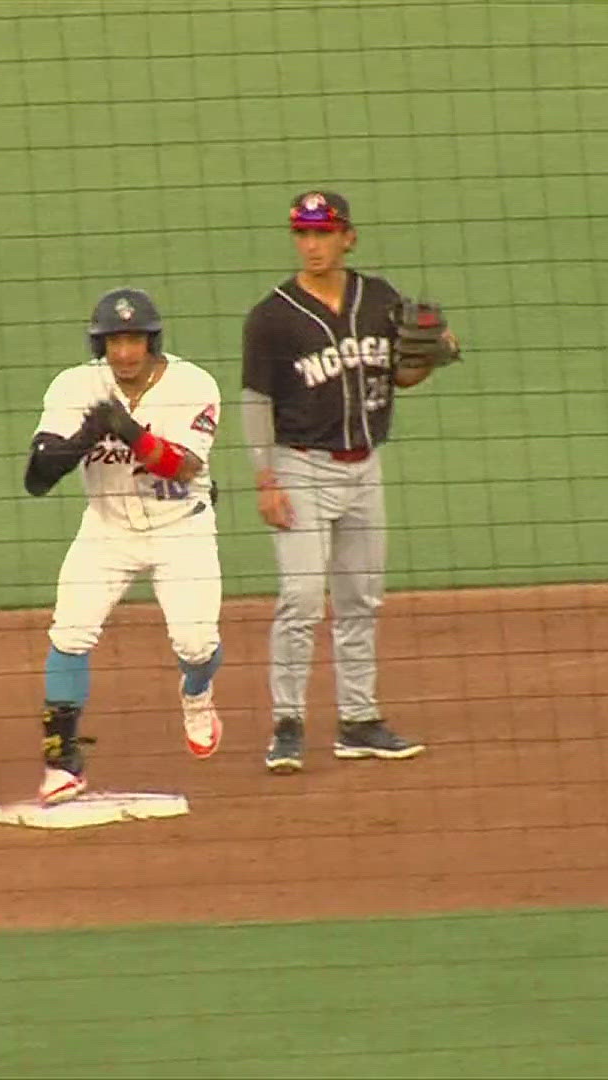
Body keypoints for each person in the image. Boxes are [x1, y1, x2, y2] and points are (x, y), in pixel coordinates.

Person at [240, 189, 456, 774]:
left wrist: (430, 357)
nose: (312, 244)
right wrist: (265, 478)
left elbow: (402, 376)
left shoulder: (379, 299)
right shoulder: (272, 318)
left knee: (360, 599)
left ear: (347, 237)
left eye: (323, 232)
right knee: (304, 597)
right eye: (303, 234)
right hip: (299, 466)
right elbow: (257, 402)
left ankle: (358, 720)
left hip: (366, 468)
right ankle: (287, 724)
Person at [22, 287, 226, 805]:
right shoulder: (74, 386)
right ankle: (62, 763)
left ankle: (197, 693)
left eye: (134, 339)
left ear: (152, 341)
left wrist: (129, 431)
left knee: (196, 644)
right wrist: (78, 441)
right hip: (106, 530)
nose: (125, 352)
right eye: (114, 341)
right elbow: (37, 479)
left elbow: (184, 466)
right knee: (69, 630)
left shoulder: (193, 383)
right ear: (101, 345)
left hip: (181, 527)